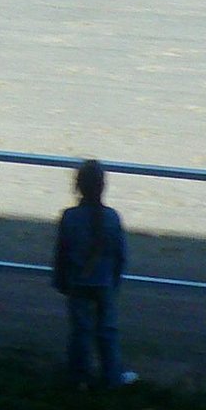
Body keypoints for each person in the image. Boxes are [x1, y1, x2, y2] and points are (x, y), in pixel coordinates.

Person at [51, 159, 136, 389]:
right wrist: (115, 281)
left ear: (77, 186)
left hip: (77, 282)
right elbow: (120, 255)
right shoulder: (112, 218)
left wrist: (59, 280)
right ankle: (111, 376)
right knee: (107, 330)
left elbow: (62, 252)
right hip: (104, 282)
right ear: (103, 186)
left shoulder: (69, 217)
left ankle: (78, 376)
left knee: (80, 330)